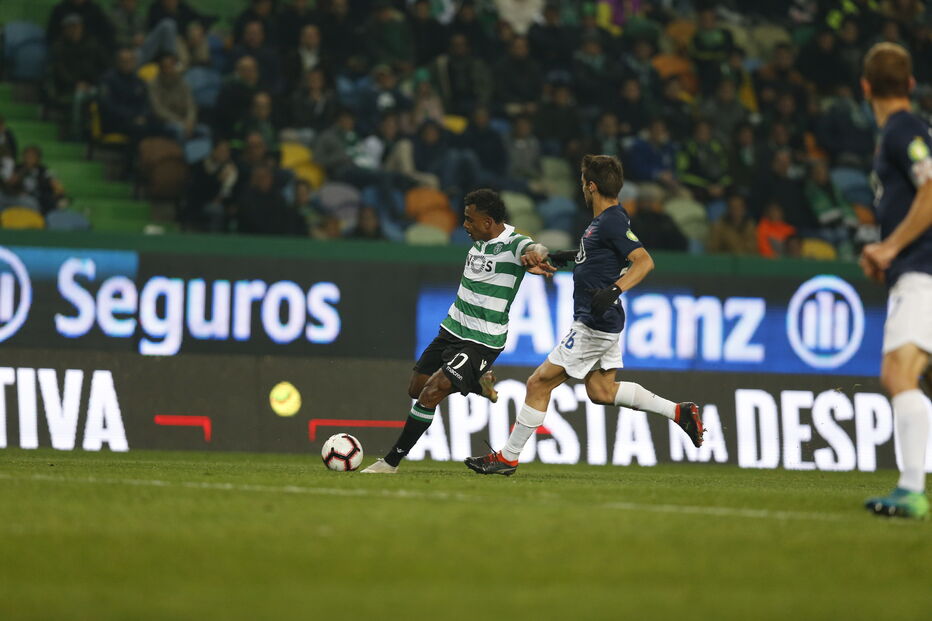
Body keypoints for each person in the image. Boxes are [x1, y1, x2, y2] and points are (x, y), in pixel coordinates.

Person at [464, 155, 702, 476]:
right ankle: (680, 412)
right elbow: (603, 257)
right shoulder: (605, 221)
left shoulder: (611, 221)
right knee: (601, 391)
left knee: (538, 383)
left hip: (595, 322)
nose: (581, 188)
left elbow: (644, 261)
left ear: (591, 186)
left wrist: (615, 290)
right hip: (603, 319)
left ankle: (508, 457)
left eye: (582, 182)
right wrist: (570, 257)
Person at [360, 189, 553, 473]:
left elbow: (536, 248)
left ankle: (390, 462)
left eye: (469, 219)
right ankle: (477, 383)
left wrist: (536, 254)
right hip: (451, 329)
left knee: (431, 393)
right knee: (416, 389)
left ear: (488, 222)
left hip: (482, 340)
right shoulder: (478, 243)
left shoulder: (514, 243)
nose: (464, 225)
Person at [858, 43, 932, 519]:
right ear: (909, 83)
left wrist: (889, 247)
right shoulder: (904, 131)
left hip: (923, 273)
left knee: (898, 374)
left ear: (865, 87)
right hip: (917, 268)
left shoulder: (904, 128)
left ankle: (911, 489)